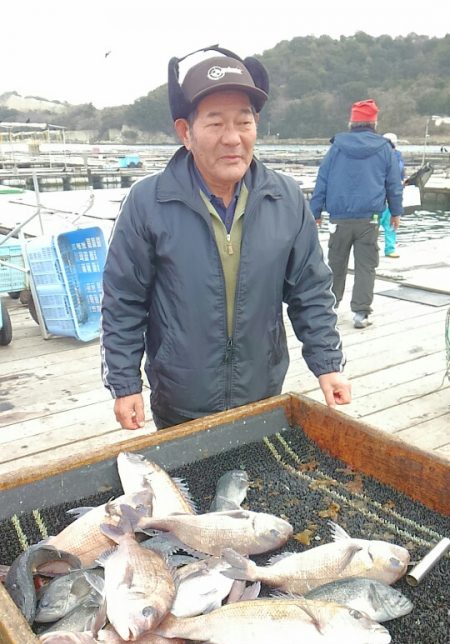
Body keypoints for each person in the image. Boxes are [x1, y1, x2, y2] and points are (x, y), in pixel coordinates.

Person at [101, 46, 351, 432]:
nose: (233, 138)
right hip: (180, 397)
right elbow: (124, 301)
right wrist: (124, 383)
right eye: (215, 123)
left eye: (244, 122)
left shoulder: (284, 199)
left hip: (262, 391)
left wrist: (327, 365)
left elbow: (311, 292)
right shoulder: (148, 202)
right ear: (186, 132)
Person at [309, 99, 404, 329]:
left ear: (352, 122)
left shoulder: (336, 147)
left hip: (339, 218)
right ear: (374, 122)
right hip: (369, 219)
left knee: (335, 263)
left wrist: (316, 211)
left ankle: (331, 307)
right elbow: (393, 184)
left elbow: (322, 180)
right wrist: (396, 211)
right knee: (366, 266)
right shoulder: (384, 149)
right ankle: (361, 313)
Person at [380, 132, 405, 258]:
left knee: (389, 223)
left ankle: (390, 248)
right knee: (379, 222)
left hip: (387, 196)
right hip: (380, 196)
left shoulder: (397, 156)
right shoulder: (395, 156)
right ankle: (387, 248)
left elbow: (400, 175)